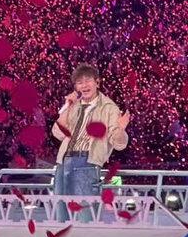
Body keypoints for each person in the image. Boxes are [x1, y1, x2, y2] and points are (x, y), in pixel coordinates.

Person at [51, 63, 130, 199]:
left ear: (97, 82)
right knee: (60, 209)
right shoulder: (73, 105)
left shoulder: (109, 107)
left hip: (87, 161)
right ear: (76, 87)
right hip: (63, 161)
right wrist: (68, 106)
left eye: (87, 81)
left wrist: (121, 129)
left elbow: (119, 145)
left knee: (84, 209)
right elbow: (57, 133)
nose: (84, 85)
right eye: (79, 82)